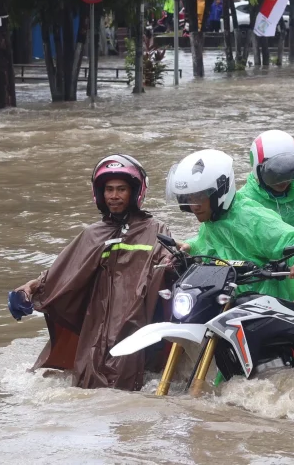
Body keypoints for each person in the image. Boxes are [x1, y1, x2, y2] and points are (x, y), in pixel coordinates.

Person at [10, 154, 173, 391]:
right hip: (96, 328)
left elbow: (169, 266)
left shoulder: (156, 230)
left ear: (135, 192)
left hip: (134, 323)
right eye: (108, 189)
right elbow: (60, 272)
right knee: (89, 388)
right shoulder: (93, 234)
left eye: (121, 189)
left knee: (130, 391)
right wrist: (28, 289)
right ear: (99, 193)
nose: (114, 196)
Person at [169, 149, 294, 303]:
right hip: (232, 302)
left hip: (268, 304)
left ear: (220, 192)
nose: (194, 206)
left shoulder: (253, 218)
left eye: (200, 196)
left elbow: (293, 239)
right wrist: (190, 246)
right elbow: (209, 244)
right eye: (189, 198)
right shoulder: (214, 218)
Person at [236, 130, 294, 233]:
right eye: (274, 174)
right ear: (259, 172)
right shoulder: (244, 202)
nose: (283, 180)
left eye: (289, 172)